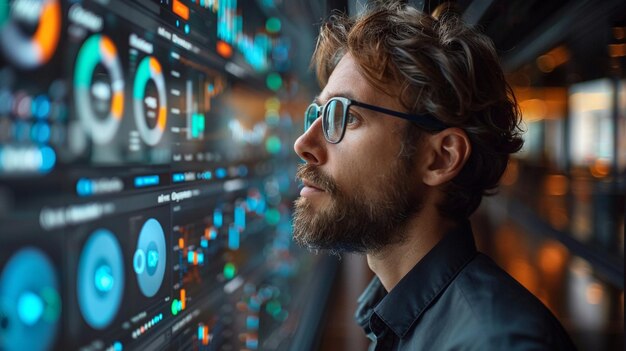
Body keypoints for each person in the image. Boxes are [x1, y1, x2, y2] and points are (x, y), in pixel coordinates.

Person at [291, 1, 575, 350]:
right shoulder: (397, 317)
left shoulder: (499, 343)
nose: (303, 144)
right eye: (317, 113)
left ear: (441, 158)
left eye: (344, 116)